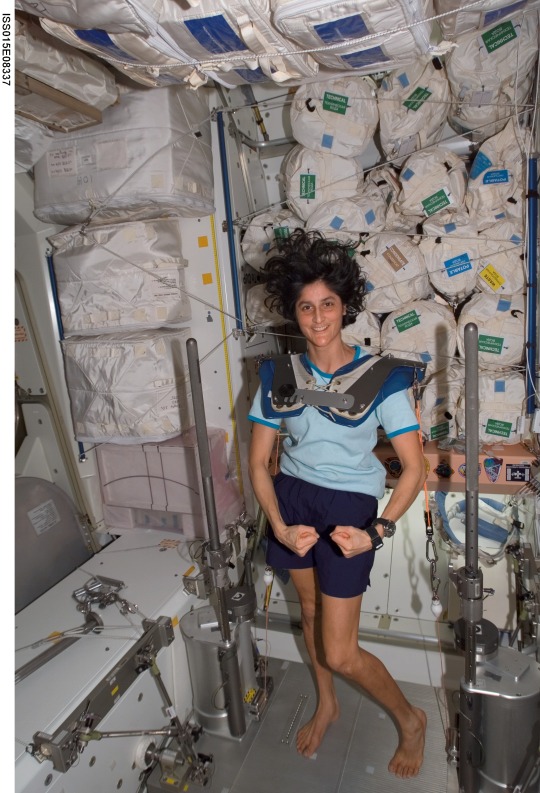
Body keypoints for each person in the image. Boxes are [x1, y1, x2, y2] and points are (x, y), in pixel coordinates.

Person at [247, 229, 427, 779]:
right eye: (306, 306)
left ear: (344, 306)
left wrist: (376, 531)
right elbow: (258, 463)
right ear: (294, 312)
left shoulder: (381, 378)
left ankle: (411, 719)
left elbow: (414, 468)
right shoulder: (278, 376)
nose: (318, 317)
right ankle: (327, 704)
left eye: (327, 304)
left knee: (341, 651)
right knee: (308, 611)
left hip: (350, 507)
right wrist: (279, 525)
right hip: (293, 498)